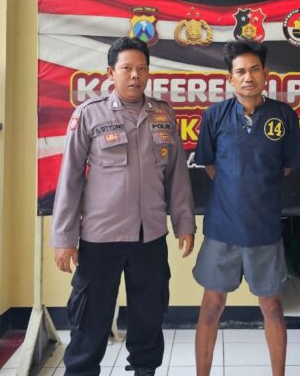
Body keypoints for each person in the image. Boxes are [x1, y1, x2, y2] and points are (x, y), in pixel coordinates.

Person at [52, 37, 196, 376]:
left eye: (142, 69)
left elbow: (177, 175)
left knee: (149, 317)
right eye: (127, 68)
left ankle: (145, 371)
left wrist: (185, 224)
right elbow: (70, 178)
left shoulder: (163, 114)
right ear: (110, 73)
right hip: (101, 238)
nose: (135, 75)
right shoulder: (89, 114)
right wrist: (64, 238)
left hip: (150, 237)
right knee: (91, 320)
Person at [193, 40, 300, 376]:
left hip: (264, 230)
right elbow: (209, 165)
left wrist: (255, 186)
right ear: (230, 77)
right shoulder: (215, 116)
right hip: (221, 229)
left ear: (265, 73)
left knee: (273, 307)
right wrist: (236, 188)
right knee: (211, 307)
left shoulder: (284, 116)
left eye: (255, 69)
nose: (248, 77)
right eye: (240, 71)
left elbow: (287, 167)